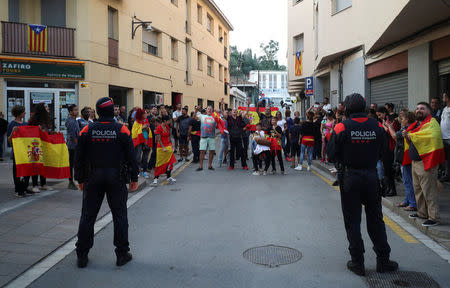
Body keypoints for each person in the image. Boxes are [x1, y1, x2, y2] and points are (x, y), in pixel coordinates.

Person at [327, 93, 398, 276]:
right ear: (365, 107)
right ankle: (383, 260)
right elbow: (384, 150)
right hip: (371, 176)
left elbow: (331, 154)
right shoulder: (377, 125)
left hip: (350, 177)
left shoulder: (341, 126)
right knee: (376, 219)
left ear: (347, 109)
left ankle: (358, 263)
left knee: (352, 221)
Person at [74, 97, 139, 268]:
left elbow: (78, 157)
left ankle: (82, 255)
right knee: (120, 216)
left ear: (97, 111)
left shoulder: (87, 130)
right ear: (112, 111)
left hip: (92, 178)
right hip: (116, 178)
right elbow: (132, 157)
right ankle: (122, 254)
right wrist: (134, 178)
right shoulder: (122, 129)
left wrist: (80, 178)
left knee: (87, 216)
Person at [403, 102, 445, 227]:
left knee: (429, 191)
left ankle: (434, 217)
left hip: (426, 161)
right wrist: (409, 135)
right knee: (418, 190)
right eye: (417, 108)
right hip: (415, 162)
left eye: (422, 108)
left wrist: (410, 135)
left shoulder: (432, 122)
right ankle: (422, 213)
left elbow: (433, 136)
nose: (418, 110)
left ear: (429, 111)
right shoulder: (416, 124)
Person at [387, 111, 417, 211]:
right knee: (407, 180)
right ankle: (407, 200)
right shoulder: (409, 127)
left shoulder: (406, 129)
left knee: (407, 180)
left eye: (402, 119)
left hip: (405, 158)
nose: (401, 120)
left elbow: (395, 136)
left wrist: (389, 127)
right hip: (405, 157)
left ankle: (412, 203)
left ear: (407, 120)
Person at [28, 103, 53, 192]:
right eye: (45, 107)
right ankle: (34, 185)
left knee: (44, 165)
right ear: (41, 109)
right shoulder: (33, 120)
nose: (48, 108)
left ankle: (43, 184)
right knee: (36, 165)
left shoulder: (47, 119)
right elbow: (30, 132)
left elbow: (47, 131)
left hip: (44, 145)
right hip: (35, 146)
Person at [377, 107, 400, 196]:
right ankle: (388, 188)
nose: (379, 117)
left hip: (390, 148)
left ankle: (392, 189)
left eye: (380, 115)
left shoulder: (389, 120)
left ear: (384, 113)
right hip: (385, 147)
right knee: (386, 170)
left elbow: (390, 131)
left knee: (388, 170)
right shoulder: (385, 120)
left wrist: (383, 125)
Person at [7, 105, 29, 197]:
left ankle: (24, 188)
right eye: (24, 111)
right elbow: (9, 140)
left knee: (27, 170)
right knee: (17, 171)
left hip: (25, 151)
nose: (25, 113)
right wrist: (12, 132)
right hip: (17, 151)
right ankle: (18, 190)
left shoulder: (25, 124)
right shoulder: (12, 124)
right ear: (19, 113)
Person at [153, 115, 177, 185]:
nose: (170, 122)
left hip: (168, 146)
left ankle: (169, 176)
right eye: (168, 121)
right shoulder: (159, 128)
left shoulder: (167, 127)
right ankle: (156, 178)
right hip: (161, 148)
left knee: (170, 162)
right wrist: (163, 147)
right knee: (159, 163)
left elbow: (169, 137)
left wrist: (171, 145)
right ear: (164, 121)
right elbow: (158, 139)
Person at [195, 106, 217, 171]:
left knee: (212, 151)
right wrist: (196, 110)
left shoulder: (215, 117)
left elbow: (221, 121)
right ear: (206, 110)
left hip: (212, 137)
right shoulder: (202, 116)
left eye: (211, 109)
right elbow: (194, 117)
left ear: (212, 110)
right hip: (203, 137)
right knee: (202, 152)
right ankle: (200, 166)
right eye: (208, 109)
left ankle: (210, 166)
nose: (209, 110)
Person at [133, 108, 152, 179]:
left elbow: (148, 131)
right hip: (139, 141)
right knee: (137, 157)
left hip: (146, 140)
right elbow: (134, 133)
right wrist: (142, 128)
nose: (146, 114)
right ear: (141, 115)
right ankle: (136, 171)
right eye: (145, 113)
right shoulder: (136, 123)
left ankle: (144, 171)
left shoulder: (146, 120)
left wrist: (147, 128)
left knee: (145, 156)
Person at [65, 104, 80, 190]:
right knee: (72, 164)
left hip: (75, 145)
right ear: (70, 112)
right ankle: (71, 182)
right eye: (74, 110)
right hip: (72, 146)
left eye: (77, 110)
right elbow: (72, 136)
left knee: (74, 164)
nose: (76, 111)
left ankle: (73, 181)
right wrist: (77, 144)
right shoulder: (71, 121)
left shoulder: (75, 120)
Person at [440, 92, 450, 182]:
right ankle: (447, 174)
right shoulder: (445, 109)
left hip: (449, 137)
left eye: (444, 96)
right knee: (446, 158)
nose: (442, 98)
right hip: (444, 137)